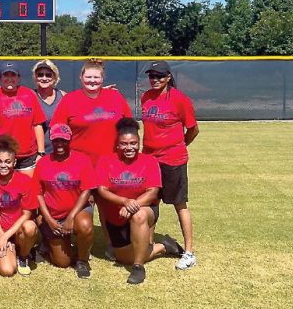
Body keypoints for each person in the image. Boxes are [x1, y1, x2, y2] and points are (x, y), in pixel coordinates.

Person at [94, 118, 184, 284]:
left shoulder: (149, 161)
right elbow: (102, 190)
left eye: (134, 143)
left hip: (145, 210)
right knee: (122, 258)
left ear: (139, 143)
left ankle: (138, 267)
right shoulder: (106, 161)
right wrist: (125, 201)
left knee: (139, 215)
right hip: (117, 217)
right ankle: (163, 246)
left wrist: (132, 205)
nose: (129, 148)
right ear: (118, 145)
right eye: (124, 144)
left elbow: (152, 192)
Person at [141, 60, 200, 271]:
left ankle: (189, 252)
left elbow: (193, 129)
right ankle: (148, 245)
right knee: (150, 204)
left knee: (179, 204)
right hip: (149, 160)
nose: (155, 80)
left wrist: (179, 144)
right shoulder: (146, 97)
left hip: (173, 160)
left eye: (159, 76)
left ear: (168, 78)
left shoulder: (180, 100)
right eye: (152, 76)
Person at [33, 124, 95, 279]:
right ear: (51, 141)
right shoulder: (43, 163)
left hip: (76, 212)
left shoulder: (82, 160)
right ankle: (47, 241)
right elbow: (38, 193)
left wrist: (71, 217)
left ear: (70, 140)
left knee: (85, 225)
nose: (60, 144)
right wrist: (49, 219)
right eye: (56, 140)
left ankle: (82, 260)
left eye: (63, 140)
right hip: (53, 215)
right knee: (63, 262)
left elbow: (86, 190)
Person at [51, 58, 132, 166]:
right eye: (88, 77)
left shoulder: (115, 96)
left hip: (113, 161)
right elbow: (57, 129)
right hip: (79, 163)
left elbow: (129, 127)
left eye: (96, 77)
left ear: (102, 79)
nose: (92, 80)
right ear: (81, 77)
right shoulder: (69, 99)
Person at [0, 135, 39, 277]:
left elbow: (27, 214)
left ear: (14, 162)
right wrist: (2, 236)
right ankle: (11, 248)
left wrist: (6, 237)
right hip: (1, 229)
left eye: (8, 162)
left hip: (19, 228)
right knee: (7, 271)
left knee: (30, 226)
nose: (3, 165)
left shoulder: (25, 181)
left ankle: (24, 256)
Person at [0, 63, 46, 176]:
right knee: (4, 191)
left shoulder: (29, 94)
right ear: (0, 78)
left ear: (18, 78)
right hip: (3, 156)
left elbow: (37, 125)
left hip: (28, 155)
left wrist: (41, 153)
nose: (10, 79)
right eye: (6, 75)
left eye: (13, 75)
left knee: (28, 191)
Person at [31, 59, 66, 155]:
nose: (44, 78)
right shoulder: (29, 96)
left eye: (48, 75)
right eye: (40, 74)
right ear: (35, 77)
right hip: (35, 153)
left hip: (59, 151)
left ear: (55, 77)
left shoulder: (63, 96)